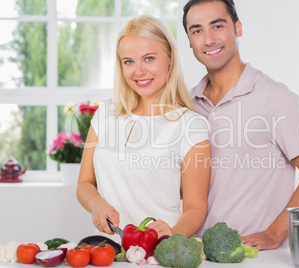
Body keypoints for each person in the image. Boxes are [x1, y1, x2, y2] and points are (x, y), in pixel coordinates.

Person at [182, 0, 299, 250]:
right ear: (189, 41)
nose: (208, 39)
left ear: (238, 28)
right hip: (199, 253)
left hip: (254, 256)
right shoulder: (187, 103)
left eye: (217, 26)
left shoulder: (274, 97)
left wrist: (274, 233)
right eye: (197, 30)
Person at [76, 15, 211, 241]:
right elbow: (84, 183)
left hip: (158, 253)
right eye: (128, 61)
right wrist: (97, 204)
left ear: (170, 58)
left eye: (149, 58)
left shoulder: (191, 126)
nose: (138, 71)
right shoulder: (105, 115)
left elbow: (196, 209)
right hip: (107, 253)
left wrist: (172, 235)